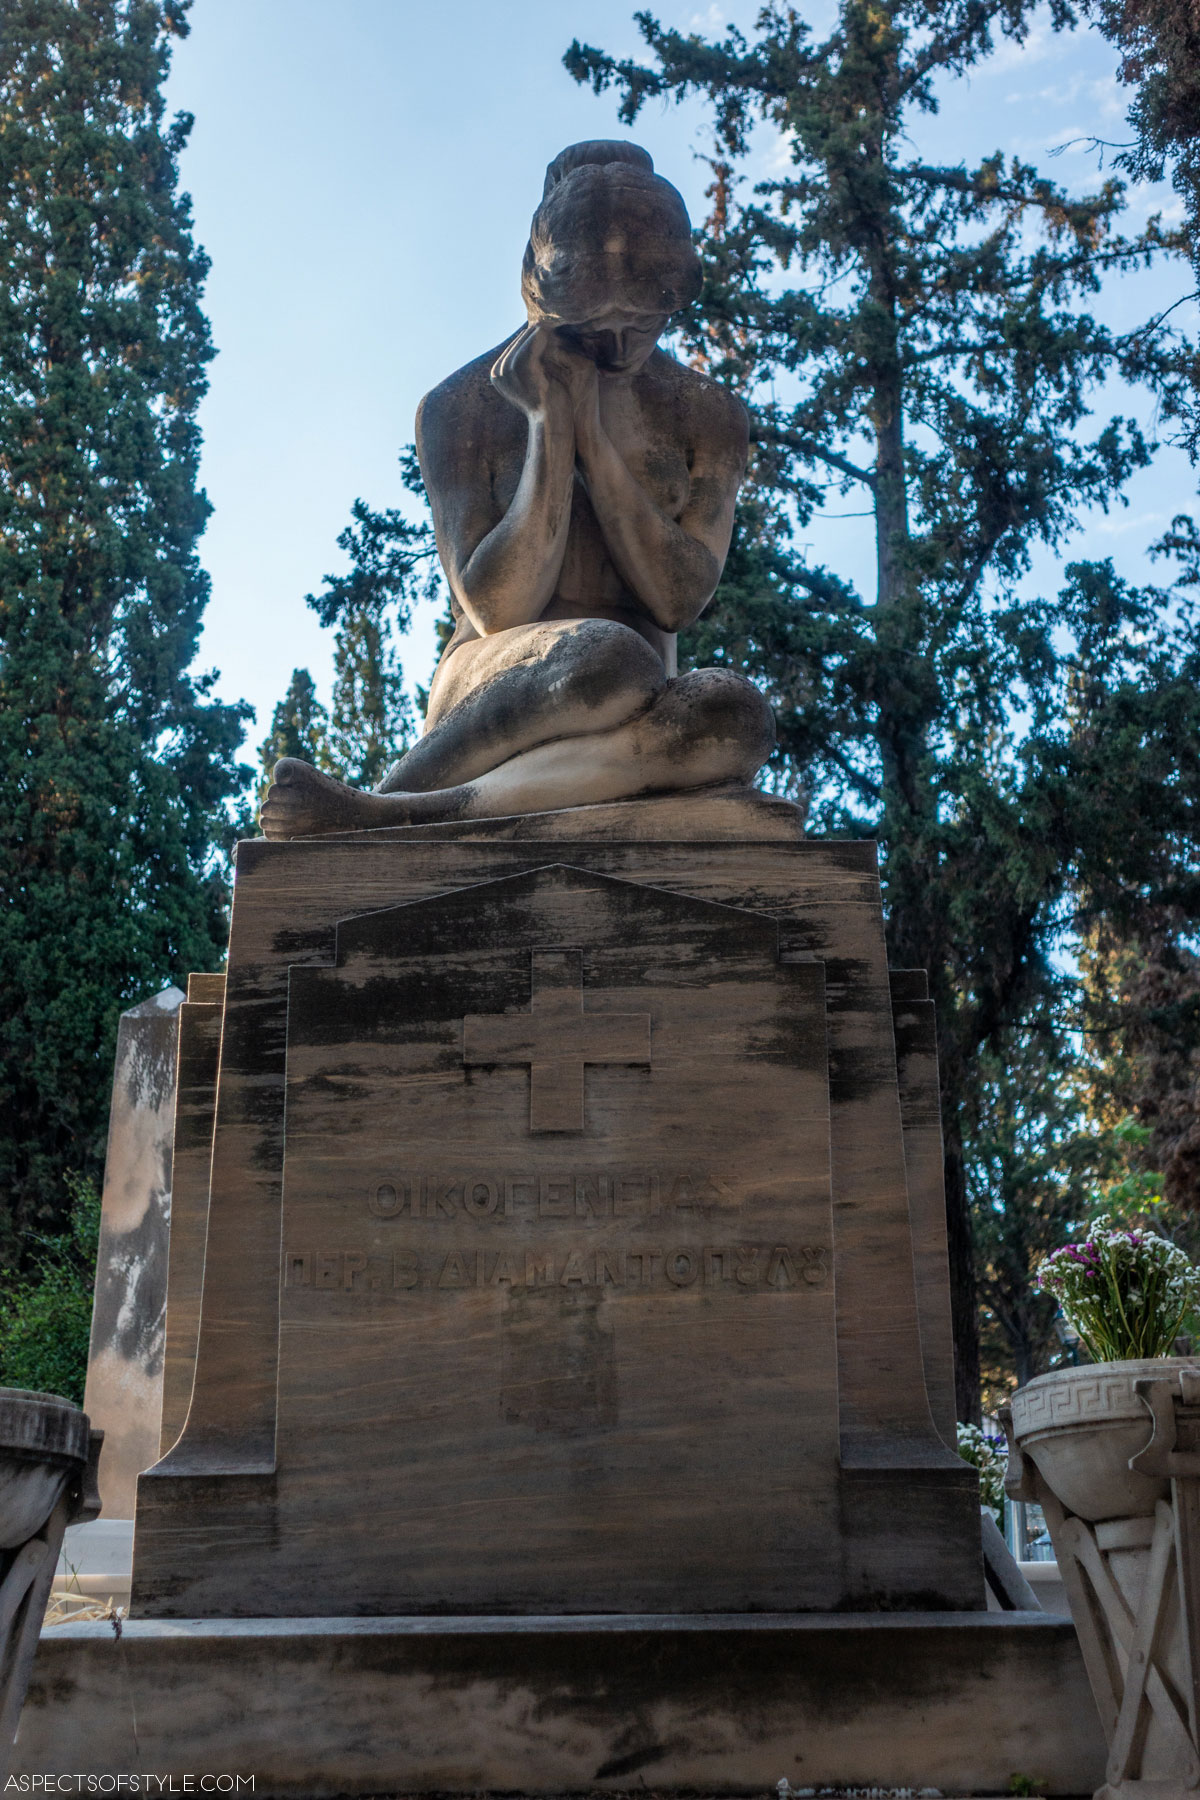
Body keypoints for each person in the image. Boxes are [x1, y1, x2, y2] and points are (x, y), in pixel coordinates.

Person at [259, 140, 774, 839]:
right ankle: (399, 796)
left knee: (734, 715)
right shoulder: (462, 408)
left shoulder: (707, 416)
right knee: (610, 657)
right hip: (499, 683)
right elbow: (501, 607)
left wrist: (589, 432)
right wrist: (547, 425)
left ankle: (390, 815)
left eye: (645, 322)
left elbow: (676, 598)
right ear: (541, 294)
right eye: (598, 326)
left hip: (635, 705)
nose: (622, 347)